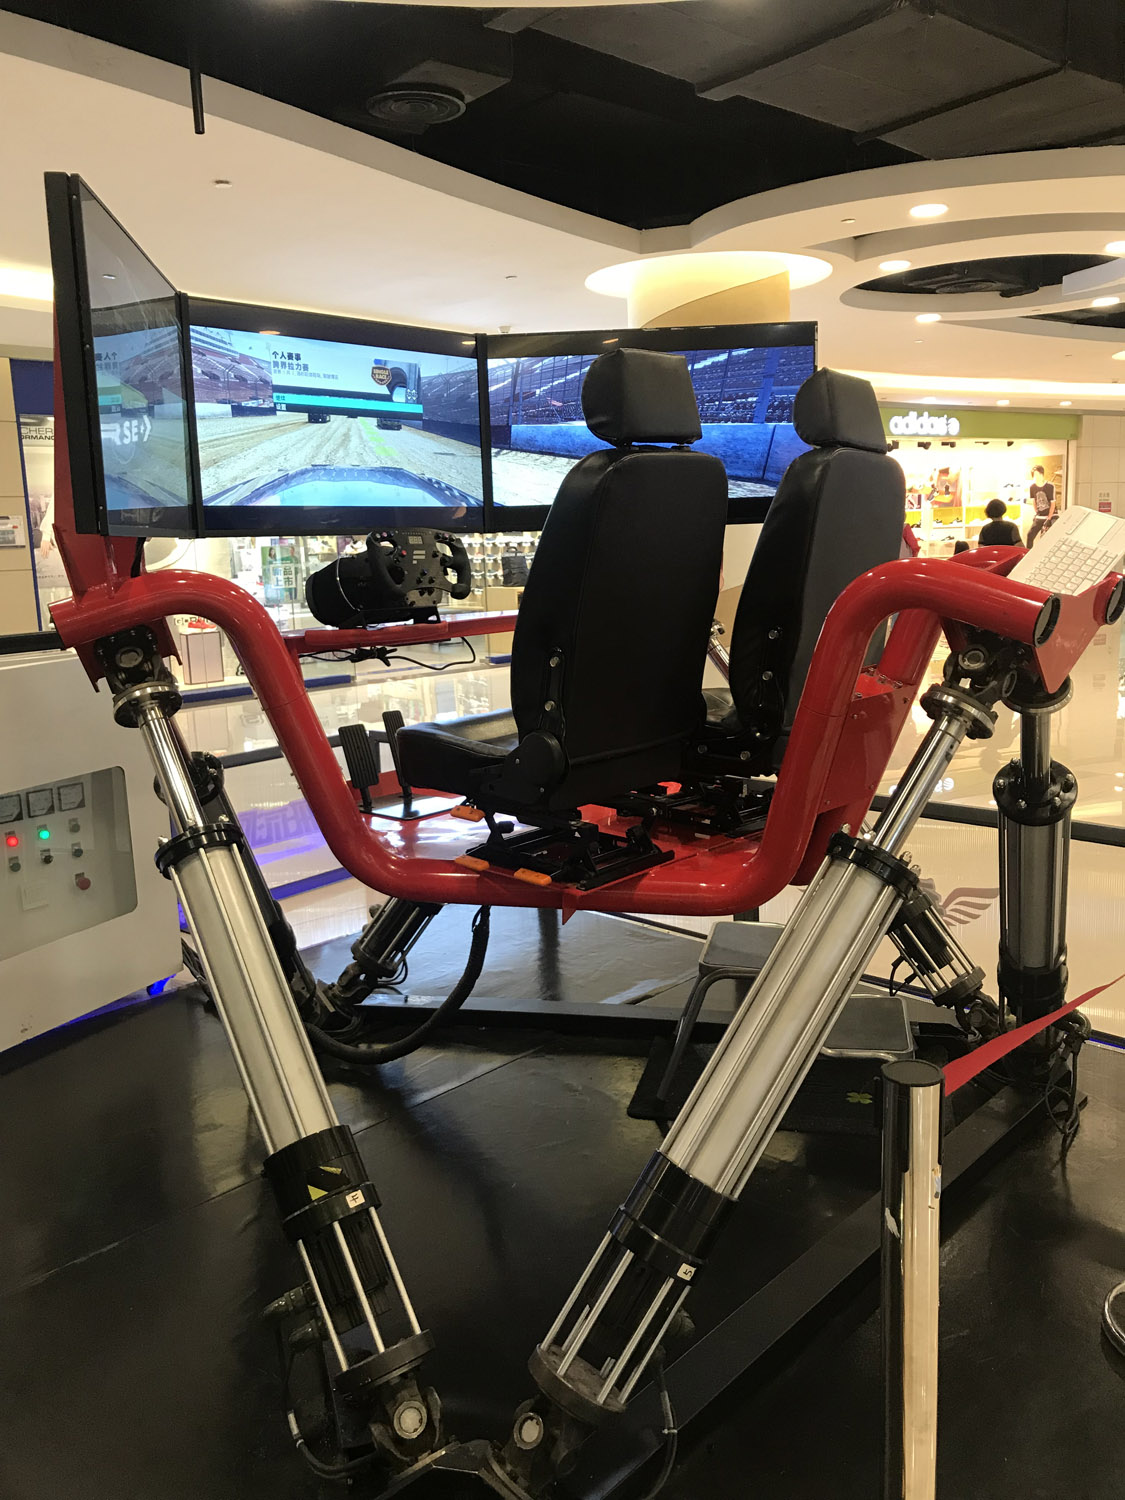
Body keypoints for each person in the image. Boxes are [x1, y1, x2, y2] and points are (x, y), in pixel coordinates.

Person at [1027, 466, 1057, 545]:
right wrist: (1037, 512)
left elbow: (1053, 503)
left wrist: (1049, 518)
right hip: (1040, 516)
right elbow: (1034, 500)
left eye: (1038, 474)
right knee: (1030, 535)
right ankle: (1028, 552)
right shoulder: (1032, 487)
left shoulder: (1050, 486)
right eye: (1035, 475)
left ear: (1042, 474)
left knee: (1045, 538)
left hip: (1051, 515)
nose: (1036, 477)